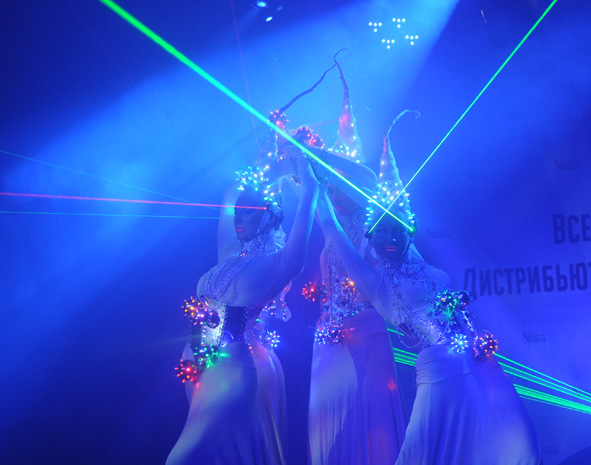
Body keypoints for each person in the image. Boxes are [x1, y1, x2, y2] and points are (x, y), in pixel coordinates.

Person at [314, 118, 541, 465]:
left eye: (397, 230)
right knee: (421, 452)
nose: (390, 237)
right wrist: (315, 182)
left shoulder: (431, 270)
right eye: (381, 231)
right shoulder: (375, 280)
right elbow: (331, 226)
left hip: (477, 364)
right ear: (370, 237)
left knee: (511, 443)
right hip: (437, 372)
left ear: (410, 231)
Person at [166, 138, 319, 465]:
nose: (239, 217)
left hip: (233, 368)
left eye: (249, 212)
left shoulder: (281, 261)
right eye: (239, 212)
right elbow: (230, 195)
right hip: (196, 366)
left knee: (184, 459)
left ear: (271, 217)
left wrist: (298, 165)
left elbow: (309, 195)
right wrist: (267, 164)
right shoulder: (231, 254)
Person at [305, 61, 407, 465]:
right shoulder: (328, 223)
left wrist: (316, 153)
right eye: (329, 185)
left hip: (365, 336)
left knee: (370, 429)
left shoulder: (374, 225)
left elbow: (364, 175)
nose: (333, 191)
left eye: (338, 184)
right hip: (326, 341)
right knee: (328, 435)